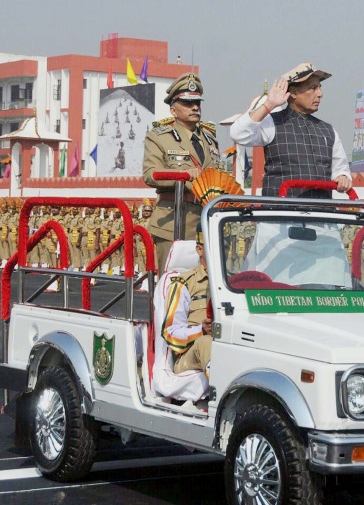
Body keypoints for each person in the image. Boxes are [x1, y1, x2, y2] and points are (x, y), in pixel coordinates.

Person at [229, 62, 352, 198]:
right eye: (313, 88)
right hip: (282, 214)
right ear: (293, 92)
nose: (320, 94)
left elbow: (340, 169)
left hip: (320, 214)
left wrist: (342, 177)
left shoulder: (328, 131)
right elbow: (238, 134)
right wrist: (269, 104)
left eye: (320, 88)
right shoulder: (273, 123)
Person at [143, 72, 219, 271]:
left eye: (197, 103)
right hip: (174, 220)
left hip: (205, 221)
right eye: (187, 103)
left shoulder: (209, 138)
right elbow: (150, 174)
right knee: (171, 285)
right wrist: (182, 177)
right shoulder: (159, 137)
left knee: (204, 286)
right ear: (173, 110)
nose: (195, 107)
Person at [161, 223, 212, 375]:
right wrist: (201, 330)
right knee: (206, 342)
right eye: (213, 246)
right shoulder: (183, 284)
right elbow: (170, 334)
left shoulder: (232, 283)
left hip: (225, 345)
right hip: (189, 356)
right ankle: (225, 397)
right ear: (199, 249)